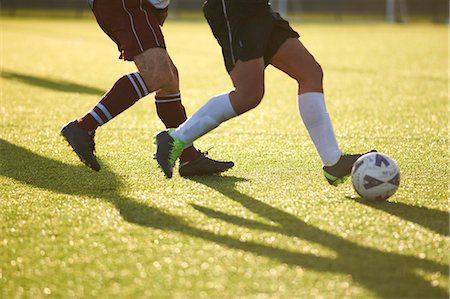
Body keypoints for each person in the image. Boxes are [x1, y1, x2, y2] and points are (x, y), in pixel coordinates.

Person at [155, 0, 374, 184]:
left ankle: (333, 162)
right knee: (248, 94)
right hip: (235, 9)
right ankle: (175, 139)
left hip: (259, 10)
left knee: (310, 73)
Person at [61, 0, 234, 177]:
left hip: (120, 5)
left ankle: (188, 156)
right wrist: (160, 7)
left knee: (169, 78)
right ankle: (84, 126)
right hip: (125, 4)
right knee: (158, 73)